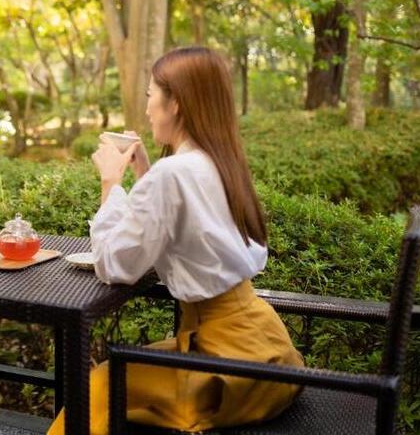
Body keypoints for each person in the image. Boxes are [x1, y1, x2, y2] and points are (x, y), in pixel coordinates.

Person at [48, 47, 303, 434]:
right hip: (267, 351)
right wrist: (146, 172)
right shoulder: (217, 160)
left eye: (151, 96)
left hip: (222, 368)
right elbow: (181, 226)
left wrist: (110, 182)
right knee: (107, 377)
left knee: (96, 388)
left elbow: (115, 265)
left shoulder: (175, 173)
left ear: (176, 104)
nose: (147, 107)